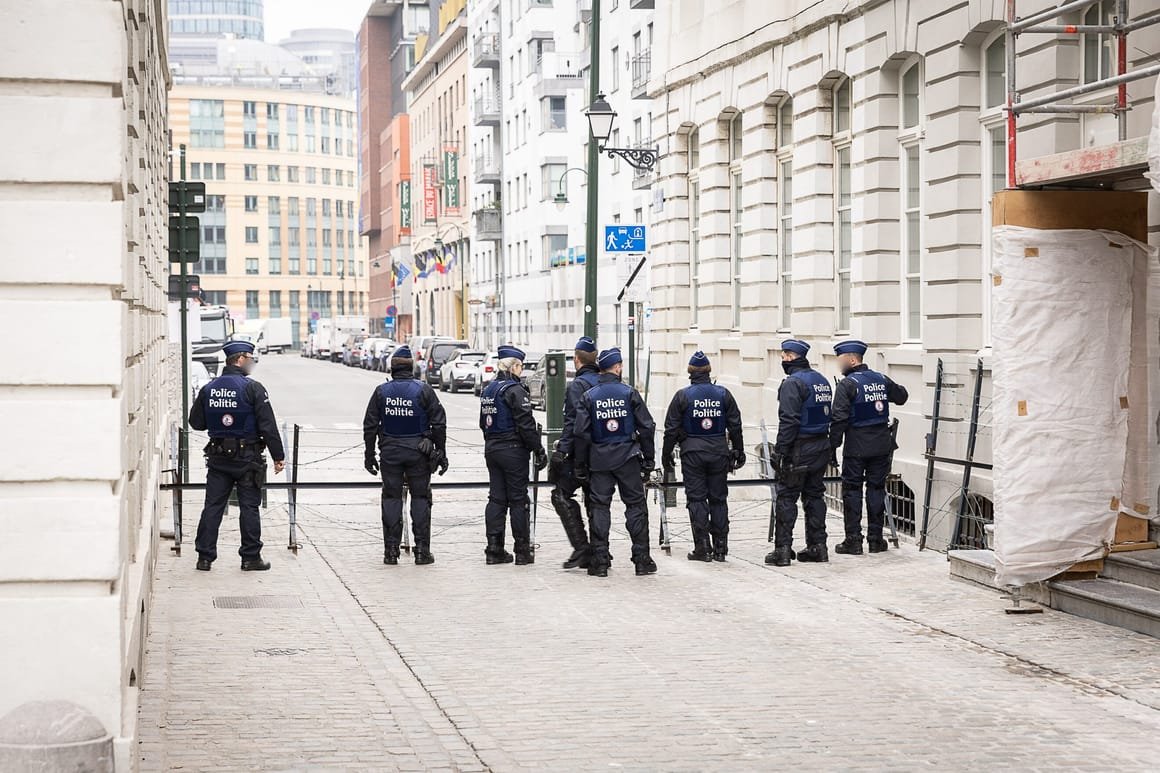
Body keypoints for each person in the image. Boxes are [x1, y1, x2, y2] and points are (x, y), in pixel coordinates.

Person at [189, 339, 285, 571]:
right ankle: (250, 558)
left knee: (213, 506)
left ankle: (204, 557)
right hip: (247, 458)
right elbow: (268, 425)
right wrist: (278, 456)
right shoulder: (253, 388)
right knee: (249, 507)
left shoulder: (209, 388)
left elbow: (196, 423)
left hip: (218, 457)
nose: (251, 364)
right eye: (250, 359)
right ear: (241, 359)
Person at [572, 348, 657, 577]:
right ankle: (642, 560)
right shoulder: (629, 393)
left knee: (600, 508)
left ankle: (600, 561)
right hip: (628, 458)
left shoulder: (590, 396)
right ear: (618, 367)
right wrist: (649, 459)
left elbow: (580, 433)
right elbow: (647, 426)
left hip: (599, 460)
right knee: (636, 507)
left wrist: (580, 464)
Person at [363, 345, 448, 566]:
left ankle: (391, 552)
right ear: (412, 367)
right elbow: (439, 422)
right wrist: (441, 451)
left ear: (391, 368)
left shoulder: (381, 392)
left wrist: (369, 454)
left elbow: (370, 425)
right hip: (419, 452)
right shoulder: (423, 390)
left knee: (391, 498)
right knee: (420, 498)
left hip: (390, 452)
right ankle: (422, 551)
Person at [662, 351, 745, 562]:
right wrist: (738, 450)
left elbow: (671, 428)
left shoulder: (683, 396)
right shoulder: (723, 394)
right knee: (718, 499)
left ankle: (702, 547)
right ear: (709, 371)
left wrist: (666, 454)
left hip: (693, 453)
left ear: (690, 372)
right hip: (718, 451)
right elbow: (735, 425)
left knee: (697, 499)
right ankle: (720, 547)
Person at [829, 339, 909, 555]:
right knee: (876, 489)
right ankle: (876, 539)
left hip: (856, 446)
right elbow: (902, 396)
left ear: (852, 359)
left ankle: (853, 541)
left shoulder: (848, 384)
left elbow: (839, 419)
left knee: (852, 491)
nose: (840, 364)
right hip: (881, 445)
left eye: (841, 360)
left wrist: (832, 446)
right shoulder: (880, 378)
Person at [765, 339, 833, 567]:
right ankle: (818, 546)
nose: (782, 360)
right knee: (814, 496)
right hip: (821, 446)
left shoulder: (792, 383)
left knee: (787, 497)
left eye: (784, 356)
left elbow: (789, 420)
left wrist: (780, 452)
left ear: (791, 357)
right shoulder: (821, 380)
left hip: (799, 448)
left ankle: (783, 550)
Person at [479, 345, 548, 564]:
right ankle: (522, 550)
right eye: (520, 367)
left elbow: (483, 423)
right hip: (513, 451)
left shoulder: (489, 389)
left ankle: (494, 548)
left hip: (492, 449)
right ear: (515, 366)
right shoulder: (515, 390)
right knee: (519, 500)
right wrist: (538, 449)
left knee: (497, 499)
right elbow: (526, 425)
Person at [548, 336, 600, 568]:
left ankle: (582, 548)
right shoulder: (603, 381)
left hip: (581, 454)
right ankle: (600, 552)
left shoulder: (577, 386)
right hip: (605, 454)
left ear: (576, 360)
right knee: (596, 501)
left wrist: (561, 453)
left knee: (560, 495)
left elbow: (573, 424)